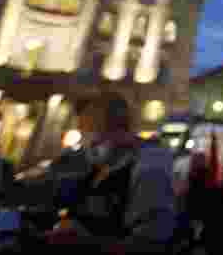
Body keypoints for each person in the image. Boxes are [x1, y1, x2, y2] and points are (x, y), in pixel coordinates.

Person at [43, 92, 177, 253]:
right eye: (85, 135)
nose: (89, 146)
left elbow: (150, 243)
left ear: (120, 129)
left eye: (94, 136)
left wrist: (87, 242)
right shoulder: (104, 166)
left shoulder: (149, 170)